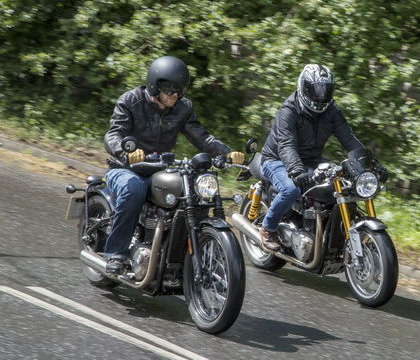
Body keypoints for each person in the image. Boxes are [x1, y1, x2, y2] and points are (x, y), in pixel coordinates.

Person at [102, 55, 244, 274]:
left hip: (159, 168)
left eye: (180, 90)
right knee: (133, 188)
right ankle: (116, 254)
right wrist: (125, 151)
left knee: (192, 194)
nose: (176, 95)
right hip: (125, 168)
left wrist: (227, 152)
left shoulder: (182, 108)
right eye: (171, 89)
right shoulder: (131, 101)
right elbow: (113, 134)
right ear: (155, 85)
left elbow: (202, 138)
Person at [259, 64, 385, 251]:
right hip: (275, 159)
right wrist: (296, 171)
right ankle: (267, 228)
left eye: (325, 91)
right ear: (303, 87)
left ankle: (330, 233)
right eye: (315, 90)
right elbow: (286, 145)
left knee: (342, 183)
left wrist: (370, 164)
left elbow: (348, 138)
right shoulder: (289, 111)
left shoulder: (331, 110)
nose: (320, 96)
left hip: (311, 159)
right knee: (291, 189)